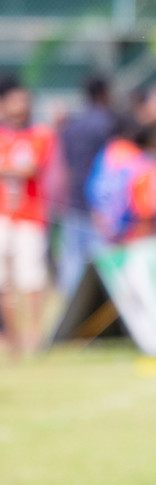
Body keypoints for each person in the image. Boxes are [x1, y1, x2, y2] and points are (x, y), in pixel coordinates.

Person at [0, 78, 55, 359]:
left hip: (30, 215)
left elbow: (31, 169)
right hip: (2, 216)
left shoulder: (39, 134)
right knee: (4, 281)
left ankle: (34, 334)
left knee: (30, 277)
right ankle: (12, 337)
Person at [57, 74, 117, 300]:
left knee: (73, 260)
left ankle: (70, 314)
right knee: (104, 258)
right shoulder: (108, 123)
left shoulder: (72, 125)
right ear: (104, 94)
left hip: (74, 198)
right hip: (100, 202)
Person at [87, 122, 156, 245]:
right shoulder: (144, 163)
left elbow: (93, 187)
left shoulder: (107, 152)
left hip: (102, 225)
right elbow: (145, 208)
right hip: (131, 232)